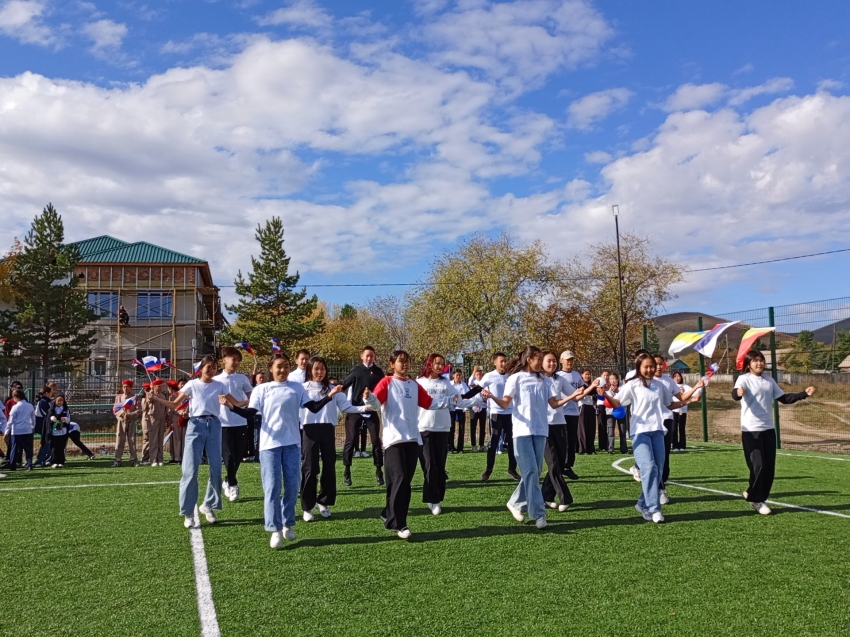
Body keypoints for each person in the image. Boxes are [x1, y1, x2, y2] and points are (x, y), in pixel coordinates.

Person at [224, 353, 342, 548]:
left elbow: (313, 408)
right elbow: (249, 413)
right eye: (279, 366)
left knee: (292, 487)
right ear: (271, 368)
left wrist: (330, 396)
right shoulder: (262, 389)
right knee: (272, 488)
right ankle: (275, 529)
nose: (283, 370)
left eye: (286, 366)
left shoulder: (297, 387)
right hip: (269, 446)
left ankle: (288, 523)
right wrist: (231, 406)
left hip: (292, 445)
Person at [361, 350, 453, 540]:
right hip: (394, 440)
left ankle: (388, 512)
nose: (404, 364)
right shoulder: (387, 382)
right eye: (400, 361)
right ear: (391, 364)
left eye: (407, 361)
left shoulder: (414, 384)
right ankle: (399, 523)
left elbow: (428, 403)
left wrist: (449, 401)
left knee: (403, 482)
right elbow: (376, 404)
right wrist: (368, 398)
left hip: (413, 439)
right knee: (400, 479)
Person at [483, 346, 575, 529]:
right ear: (528, 359)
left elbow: (554, 404)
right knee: (531, 471)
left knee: (533, 472)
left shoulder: (544, 381)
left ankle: (515, 503)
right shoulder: (515, 379)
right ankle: (539, 514)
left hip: (541, 431)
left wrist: (572, 396)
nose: (541, 363)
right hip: (521, 432)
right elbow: (506, 402)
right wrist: (492, 396)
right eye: (538, 359)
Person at [606, 353, 700, 523]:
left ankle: (642, 502)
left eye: (653, 366)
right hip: (640, 432)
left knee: (658, 470)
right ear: (639, 368)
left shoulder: (659, 385)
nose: (650, 369)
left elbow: (669, 404)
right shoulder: (632, 385)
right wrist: (605, 395)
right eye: (646, 366)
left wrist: (689, 401)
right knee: (648, 468)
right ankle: (654, 509)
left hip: (657, 430)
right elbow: (617, 403)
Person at [151, 356, 230, 529]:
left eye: (215, 367)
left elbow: (233, 402)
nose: (212, 370)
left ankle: (208, 505)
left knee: (216, 469)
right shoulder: (192, 384)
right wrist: (156, 398)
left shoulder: (220, 385)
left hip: (215, 425)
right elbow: (174, 405)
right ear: (201, 368)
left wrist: (246, 402)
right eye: (209, 367)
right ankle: (188, 512)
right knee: (190, 471)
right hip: (196, 425)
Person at [733, 350, 815, 515]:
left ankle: (756, 495)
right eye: (755, 360)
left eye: (761, 360)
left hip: (768, 429)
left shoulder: (769, 381)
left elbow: (784, 398)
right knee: (758, 465)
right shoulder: (744, 378)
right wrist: (738, 393)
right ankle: (756, 500)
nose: (759, 363)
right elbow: (735, 393)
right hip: (751, 430)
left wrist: (803, 394)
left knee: (769, 467)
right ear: (749, 364)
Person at [300, 356, 369, 521]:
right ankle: (308, 506)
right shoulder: (302, 389)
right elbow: (307, 408)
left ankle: (323, 501)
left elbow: (347, 407)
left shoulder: (334, 389)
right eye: (316, 368)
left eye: (322, 368)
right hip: (309, 431)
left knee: (329, 468)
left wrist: (366, 406)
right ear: (310, 370)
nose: (319, 372)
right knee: (310, 469)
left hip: (327, 430)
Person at [416, 355, 482, 515]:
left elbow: (459, 401)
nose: (439, 366)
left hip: (443, 429)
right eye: (436, 363)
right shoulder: (419, 382)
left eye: (442, 364)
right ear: (429, 364)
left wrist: (478, 399)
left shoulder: (446, 383)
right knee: (429, 465)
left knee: (439, 466)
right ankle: (432, 499)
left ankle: (437, 498)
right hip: (424, 428)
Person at [653, 355, 700, 504]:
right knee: (653, 457)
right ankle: (659, 489)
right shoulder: (644, 382)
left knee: (664, 456)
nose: (658, 367)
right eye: (655, 364)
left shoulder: (668, 381)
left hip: (666, 420)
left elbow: (680, 398)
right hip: (651, 423)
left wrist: (696, 387)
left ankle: (661, 484)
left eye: (661, 364)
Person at [541, 351, 584, 511]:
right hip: (544, 425)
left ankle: (545, 494)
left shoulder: (559, 379)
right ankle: (565, 497)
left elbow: (575, 397)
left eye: (553, 361)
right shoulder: (539, 380)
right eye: (548, 361)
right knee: (553, 462)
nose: (552, 364)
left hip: (560, 423)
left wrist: (591, 388)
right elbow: (554, 403)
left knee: (558, 461)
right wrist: (571, 396)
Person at [341, 346, 386, 487]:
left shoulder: (379, 372)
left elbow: (385, 390)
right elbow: (344, 385)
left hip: (371, 410)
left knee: (376, 442)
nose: (369, 358)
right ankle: (347, 470)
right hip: (355, 410)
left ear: (374, 357)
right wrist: (331, 387)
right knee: (350, 440)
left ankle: (379, 471)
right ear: (362, 356)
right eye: (367, 355)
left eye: (371, 355)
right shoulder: (356, 370)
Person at [214, 346, 254, 502]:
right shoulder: (216, 380)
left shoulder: (242, 379)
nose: (236, 363)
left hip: (241, 421)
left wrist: (240, 405)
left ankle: (227, 480)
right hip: (223, 423)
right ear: (224, 360)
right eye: (233, 359)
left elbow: (252, 398)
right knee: (228, 456)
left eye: (238, 360)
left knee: (238, 456)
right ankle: (233, 484)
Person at [479, 352, 521, 482]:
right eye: (501, 361)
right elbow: (479, 389)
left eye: (505, 361)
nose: (504, 364)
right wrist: (483, 393)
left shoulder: (511, 376)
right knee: (494, 442)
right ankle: (488, 470)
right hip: (496, 414)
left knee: (513, 442)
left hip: (510, 413)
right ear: (495, 362)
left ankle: (512, 469)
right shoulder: (489, 376)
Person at [557, 351, 584, 480]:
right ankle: (561, 465)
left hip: (574, 412)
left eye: (572, 359)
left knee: (572, 441)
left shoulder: (576, 375)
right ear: (561, 360)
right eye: (567, 359)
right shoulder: (558, 376)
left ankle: (568, 466)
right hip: (561, 413)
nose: (570, 361)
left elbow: (582, 389)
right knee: (563, 441)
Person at [113, 380, 140, 468]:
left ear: (131, 388)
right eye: (124, 387)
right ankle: (118, 460)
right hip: (121, 420)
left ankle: (133, 460)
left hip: (131, 420)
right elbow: (115, 409)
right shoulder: (118, 397)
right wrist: (122, 414)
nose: (125, 388)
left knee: (132, 440)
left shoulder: (135, 397)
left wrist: (130, 414)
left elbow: (139, 410)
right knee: (119, 439)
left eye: (127, 387)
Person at [6, 390, 35, 471]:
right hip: (27, 430)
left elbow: (10, 421)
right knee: (28, 448)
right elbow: (33, 418)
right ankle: (29, 464)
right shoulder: (30, 406)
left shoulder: (15, 407)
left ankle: (13, 465)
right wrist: (32, 427)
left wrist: (6, 431)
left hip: (16, 431)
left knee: (14, 448)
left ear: (17, 398)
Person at [145, 379, 169, 467]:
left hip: (162, 419)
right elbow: (149, 399)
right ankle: (153, 459)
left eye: (161, 386)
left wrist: (167, 419)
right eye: (158, 386)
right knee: (153, 440)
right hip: (153, 418)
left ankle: (160, 459)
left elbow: (166, 408)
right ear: (154, 386)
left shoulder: (162, 395)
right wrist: (151, 389)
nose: (160, 387)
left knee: (160, 440)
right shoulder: (151, 394)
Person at [449, 369, 471, 454]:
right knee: (451, 428)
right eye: (457, 375)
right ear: (453, 375)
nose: (458, 377)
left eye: (460, 375)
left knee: (462, 428)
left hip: (461, 408)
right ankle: (451, 447)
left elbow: (467, 395)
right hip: (452, 408)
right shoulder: (450, 385)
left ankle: (460, 448)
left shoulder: (464, 385)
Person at [605, 373, 628, 454]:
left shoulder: (622, 389)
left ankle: (624, 449)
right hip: (610, 413)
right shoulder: (607, 390)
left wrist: (618, 391)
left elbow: (624, 400)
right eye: (611, 379)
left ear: (618, 380)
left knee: (622, 431)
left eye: (614, 379)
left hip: (621, 412)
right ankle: (610, 448)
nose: (612, 381)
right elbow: (607, 401)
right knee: (610, 431)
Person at [671, 371, 692, 452]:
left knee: (682, 428)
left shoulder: (686, 387)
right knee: (674, 428)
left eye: (678, 376)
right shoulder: (671, 386)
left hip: (683, 410)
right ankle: (675, 446)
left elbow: (694, 392)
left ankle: (682, 446)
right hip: (673, 410)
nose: (677, 378)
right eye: (675, 376)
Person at [48, 394, 71, 468]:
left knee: (61, 447)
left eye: (61, 400)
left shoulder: (66, 409)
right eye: (58, 400)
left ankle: (61, 462)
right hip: (54, 432)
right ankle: (54, 462)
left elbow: (69, 419)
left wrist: (65, 419)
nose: (60, 402)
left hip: (63, 431)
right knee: (54, 447)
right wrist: (52, 418)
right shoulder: (52, 409)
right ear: (55, 401)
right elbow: (48, 417)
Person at [33, 385, 54, 467]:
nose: (52, 394)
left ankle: (46, 459)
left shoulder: (45, 401)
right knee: (46, 442)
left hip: (44, 425)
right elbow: (47, 414)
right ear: (46, 393)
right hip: (43, 426)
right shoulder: (43, 402)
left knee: (49, 442)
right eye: (50, 393)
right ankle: (40, 460)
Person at [577, 369, 597, 454]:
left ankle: (591, 448)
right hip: (583, 407)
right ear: (582, 375)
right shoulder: (580, 385)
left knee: (591, 428)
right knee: (583, 429)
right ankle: (583, 449)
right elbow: (580, 396)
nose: (587, 376)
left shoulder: (592, 385)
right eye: (586, 374)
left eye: (589, 374)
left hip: (591, 407)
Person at [468, 367, 487, 451]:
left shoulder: (484, 383)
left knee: (482, 427)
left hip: (483, 407)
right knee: (473, 427)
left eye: (480, 374)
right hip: (474, 407)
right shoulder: (474, 383)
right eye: (477, 374)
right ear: (475, 375)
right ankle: (473, 445)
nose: (479, 376)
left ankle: (481, 445)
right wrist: (474, 371)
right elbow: (470, 382)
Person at [166, 380, 185, 464]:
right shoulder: (178, 395)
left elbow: (173, 408)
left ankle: (180, 456)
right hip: (180, 418)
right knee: (179, 438)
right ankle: (179, 456)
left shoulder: (182, 395)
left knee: (180, 438)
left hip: (181, 418)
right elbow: (173, 408)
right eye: (181, 384)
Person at [596, 370, 611, 452]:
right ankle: (602, 445)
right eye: (604, 375)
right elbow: (599, 396)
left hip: (609, 406)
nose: (606, 377)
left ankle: (609, 444)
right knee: (601, 425)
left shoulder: (611, 384)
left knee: (609, 425)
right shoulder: (598, 385)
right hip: (601, 405)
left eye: (607, 375)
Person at [139, 382, 152, 464]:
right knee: (146, 439)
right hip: (146, 420)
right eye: (146, 390)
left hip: (153, 420)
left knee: (152, 440)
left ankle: (151, 456)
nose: (148, 391)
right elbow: (144, 409)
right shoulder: (143, 399)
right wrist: (148, 399)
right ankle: (144, 458)